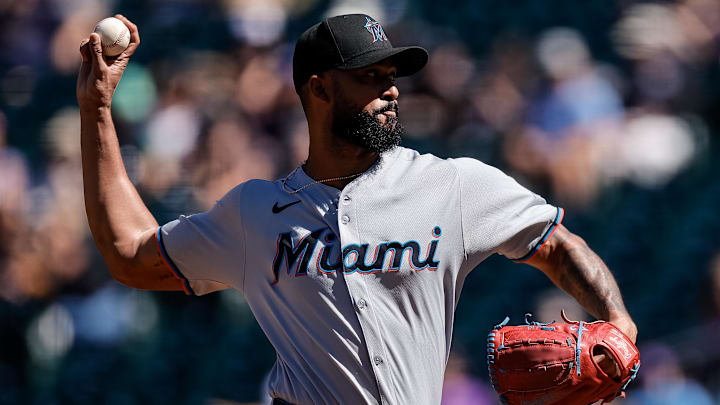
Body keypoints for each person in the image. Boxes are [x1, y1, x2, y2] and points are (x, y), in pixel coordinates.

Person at [77, 13, 638, 405]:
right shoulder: (255, 212)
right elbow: (130, 254)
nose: (390, 90)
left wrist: (616, 319)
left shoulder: (452, 184)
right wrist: (97, 110)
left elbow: (558, 245)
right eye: (369, 77)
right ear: (319, 89)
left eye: (391, 77)